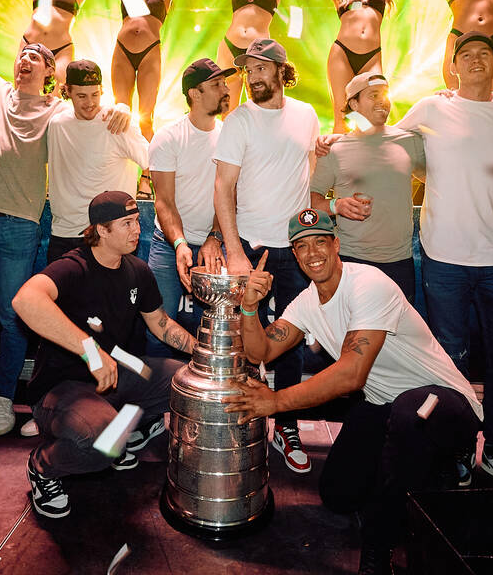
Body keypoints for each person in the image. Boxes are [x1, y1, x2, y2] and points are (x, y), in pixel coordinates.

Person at [223, 209, 483, 574]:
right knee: (338, 493)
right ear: (294, 256)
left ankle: (380, 548)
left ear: (336, 244)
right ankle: (416, 477)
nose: (313, 253)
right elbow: (259, 351)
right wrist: (249, 308)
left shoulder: (368, 283)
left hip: (443, 400)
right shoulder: (306, 302)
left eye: (320, 242)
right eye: (302, 246)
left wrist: (276, 401)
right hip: (386, 404)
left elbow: (351, 375)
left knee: (411, 417)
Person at [0, 0, 131, 451]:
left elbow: (92, 109)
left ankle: (5, 399)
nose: (24, 61)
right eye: (21, 55)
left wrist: (121, 107)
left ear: (49, 74)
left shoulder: (58, 111)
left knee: (13, 317)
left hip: (21, 226)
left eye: (34, 58)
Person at [395, 31, 493, 498]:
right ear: (452, 66)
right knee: (450, 363)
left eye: (484, 53)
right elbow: (389, 143)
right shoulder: (431, 107)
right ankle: (456, 449)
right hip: (445, 256)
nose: (476, 59)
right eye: (466, 54)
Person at [12, 191, 197, 519]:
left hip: (115, 380)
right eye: (126, 223)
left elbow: (162, 325)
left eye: (137, 221)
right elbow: (25, 301)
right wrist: (91, 351)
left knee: (185, 381)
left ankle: (120, 428)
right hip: (62, 388)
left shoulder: (137, 271)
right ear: (101, 229)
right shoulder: (73, 267)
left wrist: (206, 355)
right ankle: (43, 468)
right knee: (102, 443)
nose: (137, 230)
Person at [213, 38, 320, 473]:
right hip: (251, 248)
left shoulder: (307, 115)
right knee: (243, 341)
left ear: (280, 70)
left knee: (288, 342)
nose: (253, 76)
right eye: (248, 70)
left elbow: (311, 171)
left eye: (261, 68)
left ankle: (287, 425)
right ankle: (241, 423)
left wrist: (317, 235)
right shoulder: (239, 120)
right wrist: (234, 251)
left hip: (295, 248)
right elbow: (222, 189)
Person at [310, 71, 425, 305]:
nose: (382, 101)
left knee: (397, 336)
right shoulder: (334, 149)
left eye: (385, 95)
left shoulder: (410, 141)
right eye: (373, 95)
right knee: (352, 335)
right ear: (354, 103)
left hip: (400, 262)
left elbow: (439, 179)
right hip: (352, 260)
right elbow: (311, 201)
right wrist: (337, 205)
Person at [146, 58, 234, 356]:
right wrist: (181, 243)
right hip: (168, 245)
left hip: (215, 245)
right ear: (194, 93)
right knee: (158, 326)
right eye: (217, 85)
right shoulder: (169, 137)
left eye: (224, 83)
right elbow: (164, 201)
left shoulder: (230, 135)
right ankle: (155, 398)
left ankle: (202, 397)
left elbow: (230, 195)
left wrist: (215, 237)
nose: (225, 90)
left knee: (210, 330)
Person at [307, 0, 410, 132]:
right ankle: (342, 159)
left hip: (371, 56)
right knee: (343, 113)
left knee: (376, 109)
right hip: (342, 53)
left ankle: (370, 154)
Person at [46, 60, 149, 262]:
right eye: (81, 96)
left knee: (112, 294)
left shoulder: (117, 122)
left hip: (108, 238)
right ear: (67, 91)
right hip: (64, 235)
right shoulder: (56, 124)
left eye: (95, 95)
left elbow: (154, 162)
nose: (90, 103)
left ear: (102, 91)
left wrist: (124, 109)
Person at [103, 0, 184, 140]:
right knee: (121, 112)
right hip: (123, 52)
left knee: (146, 117)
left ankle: (147, 173)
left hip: (150, 53)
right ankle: (122, 170)